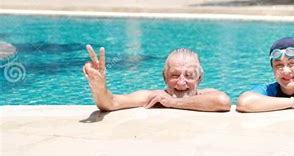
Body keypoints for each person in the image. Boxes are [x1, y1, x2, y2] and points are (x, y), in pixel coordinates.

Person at [83, 45, 231, 112]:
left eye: (189, 76)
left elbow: (223, 102)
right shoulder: (154, 97)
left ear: (199, 79)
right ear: (164, 77)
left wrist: (173, 102)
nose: (181, 82)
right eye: (174, 75)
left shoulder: (206, 95)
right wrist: (100, 89)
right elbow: (111, 103)